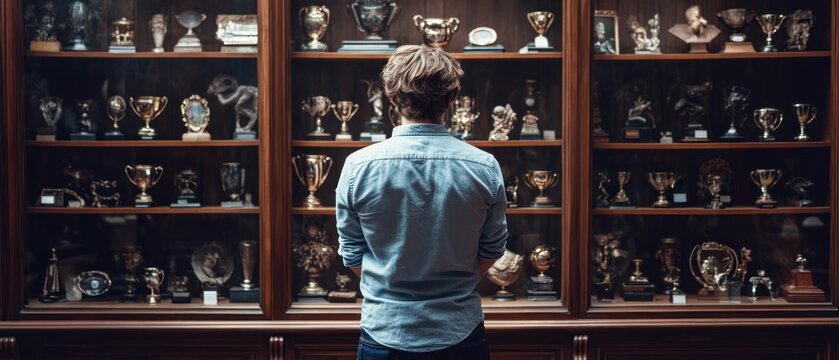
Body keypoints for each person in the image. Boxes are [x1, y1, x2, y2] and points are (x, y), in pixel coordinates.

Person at [336, 45, 508, 359]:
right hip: (459, 332)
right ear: (452, 100)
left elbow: (352, 254)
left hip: (385, 330)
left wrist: (395, 280)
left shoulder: (357, 166)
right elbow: (493, 249)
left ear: (391, 97)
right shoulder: (484, 166)